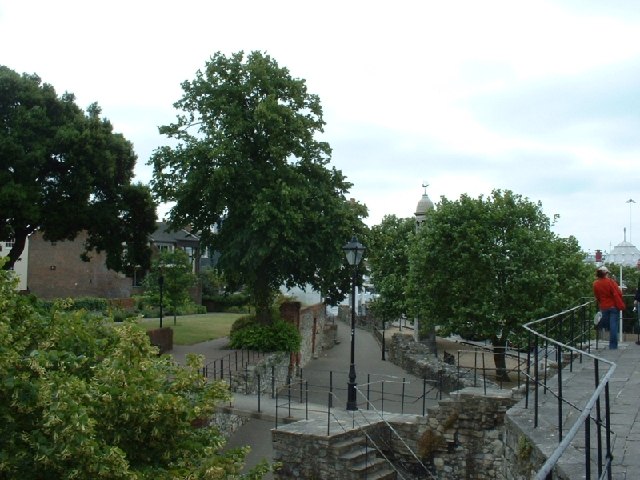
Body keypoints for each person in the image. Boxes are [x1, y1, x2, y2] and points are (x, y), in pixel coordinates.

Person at [593, 265, 626, 349]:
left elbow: (597, 296)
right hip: (613, 306)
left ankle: (600, 328)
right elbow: (619, 293)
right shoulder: (610, 282)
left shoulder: (595, 284)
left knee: (607, 324)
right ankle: (613, 345)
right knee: (613, 325)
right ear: (606, 273)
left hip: (604, 306)